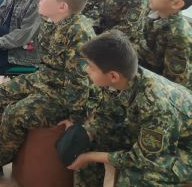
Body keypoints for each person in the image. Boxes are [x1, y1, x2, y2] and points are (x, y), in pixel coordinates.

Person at [0, 0, 95, 179]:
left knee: (15, 113)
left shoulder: (80, 33)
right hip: (45, 79)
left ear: (62, 7)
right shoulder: (51, 20)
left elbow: (80, 83)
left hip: (63, 94)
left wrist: (75, 120)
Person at [65, 30, 192, 187]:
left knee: (136, 177)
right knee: (91, 144)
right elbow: (108, 116)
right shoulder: (124, 79)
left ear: (113, 76)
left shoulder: (155, 106)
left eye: (91, 67)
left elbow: (143, 159)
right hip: (162, 132)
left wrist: (91, 156)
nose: (86, 70)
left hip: (184, 149)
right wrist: (85, 135)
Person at [137, 0, 192, 89]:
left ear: (176, 3)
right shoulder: (154, 14)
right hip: (144, 69)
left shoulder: (178, 35)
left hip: (160, 86)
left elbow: (174, 83)